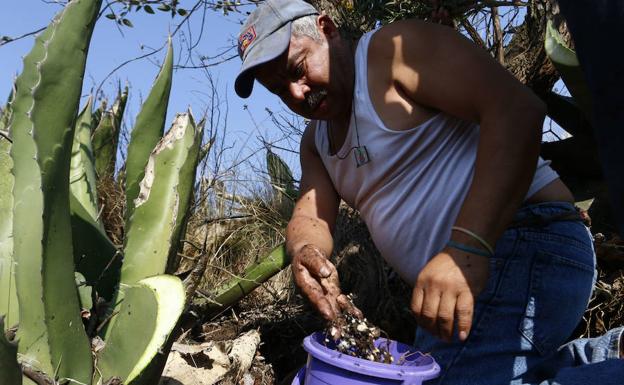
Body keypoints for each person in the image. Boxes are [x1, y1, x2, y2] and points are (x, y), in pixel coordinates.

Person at [234, 0, 624, 384]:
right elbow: (311, 215)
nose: (297, 93)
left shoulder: (392, 52)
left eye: (298, 69)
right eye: (279, 90)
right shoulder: (316, 141)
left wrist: (467, 248)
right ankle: (603, 358)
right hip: (457, 282)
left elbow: (515, 109)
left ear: (326, 28)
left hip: (525, 241)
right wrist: (307, 251)